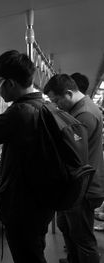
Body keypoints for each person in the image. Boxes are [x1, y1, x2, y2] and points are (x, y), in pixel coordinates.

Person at [0, 50, 55, 262]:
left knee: (28, 257)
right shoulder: (44, 106)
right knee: (34, 252)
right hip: (41, 200)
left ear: (10, 83)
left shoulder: (20, 112)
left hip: (22, 206)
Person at [44, 74, 104, 263]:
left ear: (68, 93)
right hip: (79, 184)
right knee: (65, 224)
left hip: (83, 188)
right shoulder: (80, 110)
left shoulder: (83, 115)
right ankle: (73, 259)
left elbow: (74, 155)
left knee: (83, 237)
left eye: (57, 100)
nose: (57, 105)